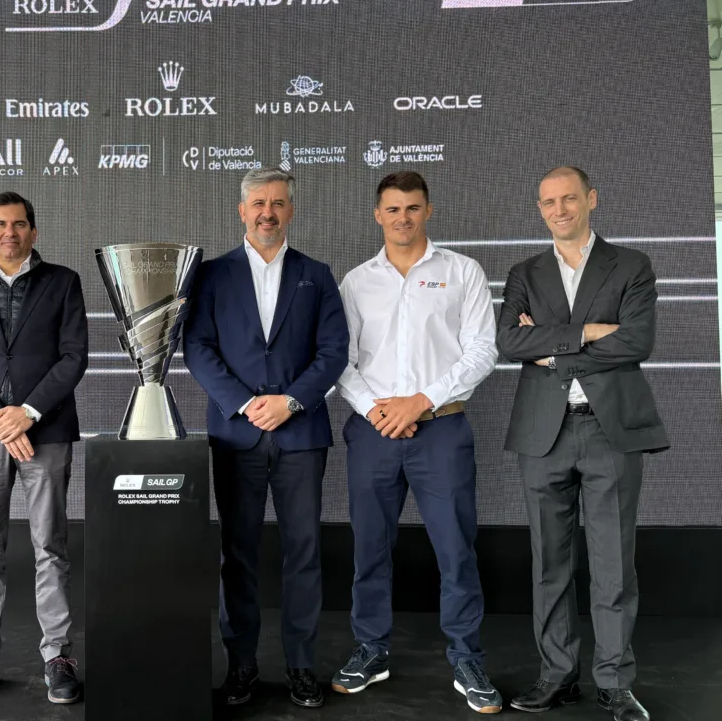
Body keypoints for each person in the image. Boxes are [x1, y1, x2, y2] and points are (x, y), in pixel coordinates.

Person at [497, 167, 667, 721]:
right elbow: (510, 341)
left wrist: (550, 350)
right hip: (542, 433)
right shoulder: (524, 272)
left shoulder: (631, 265)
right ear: (540, 209)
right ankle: (557, 676)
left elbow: (636, 341)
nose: (560, 209)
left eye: (569, 198)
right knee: (550, 562)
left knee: (614, 563)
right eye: (549, 202)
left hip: (608, 429)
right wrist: (589, 331)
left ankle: (614, 683)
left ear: (591, 199)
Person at [331, 171, 502, 714]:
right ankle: (370, 650)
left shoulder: (462, 272)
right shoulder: (356, 282)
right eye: (392, 209)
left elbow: (482, 351)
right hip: (373, 432)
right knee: (370, 549)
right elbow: (341, 360)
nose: (402, 218)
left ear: (428, 211)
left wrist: (420, 401)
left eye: (412, 208)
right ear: (377, 215)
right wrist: (378, 410)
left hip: (441, 429)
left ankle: (467, 658)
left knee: (456, 550)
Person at [184, 167, 349, 709]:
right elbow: (198, 347)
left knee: (304, 553)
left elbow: (334, 351)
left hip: (301, 434)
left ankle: (301, 666)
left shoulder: (317, 275)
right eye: (258, 203)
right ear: (242, 210)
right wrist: (243, 402)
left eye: (278, 203)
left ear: (290, 211)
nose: (267, 212)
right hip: (237, 435)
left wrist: (290, 402)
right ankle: (242, 666)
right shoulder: (211, 275)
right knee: (238, 555)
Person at [0, 191, 88, 705]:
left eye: (20, 224)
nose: (10, 233)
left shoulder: (63, 282)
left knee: (50, 546)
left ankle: (58, 657)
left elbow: (73, 357)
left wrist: (26, 412)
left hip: (45, 432)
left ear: (34, 231)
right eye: (1, 225)